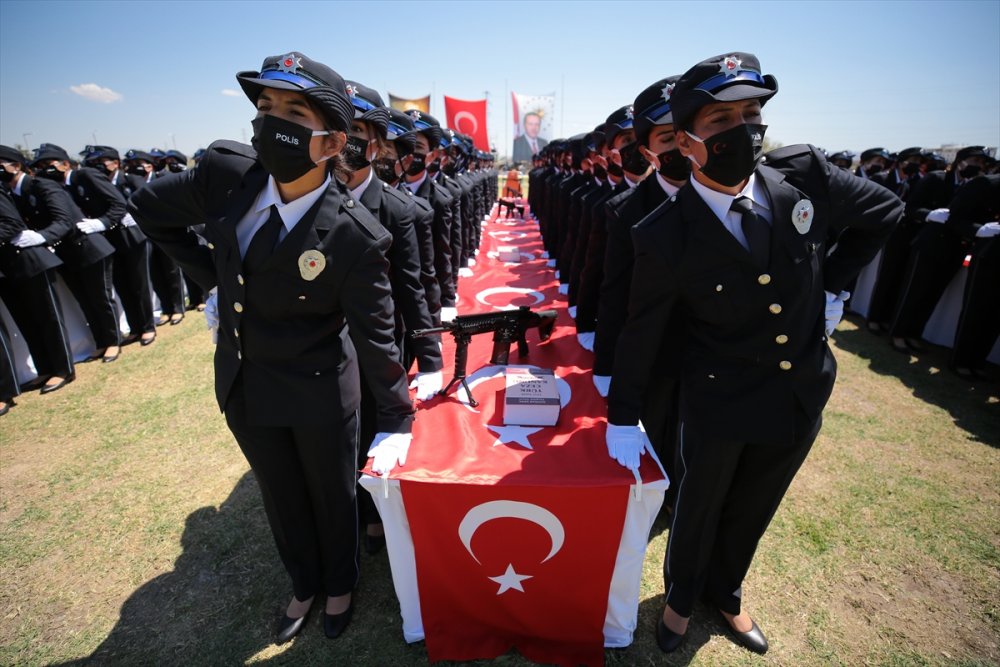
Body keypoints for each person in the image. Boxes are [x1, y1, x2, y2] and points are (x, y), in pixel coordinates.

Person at [605, 52, 902, 655]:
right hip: (718, 393)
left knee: (757, 502)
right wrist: (622, 413)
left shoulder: (805, 175)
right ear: (685, 141)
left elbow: (885, 212)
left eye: (751, 112)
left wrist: (835, 288)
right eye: (721, 119)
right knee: (700, 504)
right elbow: (642, 326)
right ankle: (682, 600)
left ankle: (728, 594)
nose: (743, 129)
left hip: (801, 384)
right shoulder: (662, 231)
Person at [129, 51, 414, 644]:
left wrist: (396, 424)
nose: (270, 120)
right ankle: (304, 582)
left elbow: (379, 337)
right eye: (264, 107)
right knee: (280, 496)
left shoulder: (354, 234)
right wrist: (218, 277)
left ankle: (340, 584)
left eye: (293, 110)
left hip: (316, 389)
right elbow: (151, 211)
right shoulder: (227, 176)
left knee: (330, 496)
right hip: (245, 381)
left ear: (333, 141)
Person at [341, 79, 443, 552]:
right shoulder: (311, 200)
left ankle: (378, 514)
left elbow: (413, 286)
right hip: (328, 346)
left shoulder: (399, 209)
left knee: (378, 424)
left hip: (385, 341)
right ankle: (355, 513)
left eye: (357, 130)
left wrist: (431, 355)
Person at [31, 144, 124, 363]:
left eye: (49, 164)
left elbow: (118, 203)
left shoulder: (85, 175)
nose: (45, 170)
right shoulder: (50, 187)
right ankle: (101, 342)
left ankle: (113, 341)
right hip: (69, 252)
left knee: (101, 298)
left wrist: (102, 223)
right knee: (85, 301)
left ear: (65, 163)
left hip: (92, 247)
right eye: (41, 166)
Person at [0, 145, 76, 394]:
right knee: (27, 322)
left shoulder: (39, 186)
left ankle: (63, 369)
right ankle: (44, 368)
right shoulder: (9, 190)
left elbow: (12, 223)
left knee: (49, 318)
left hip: (32, 259)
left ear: (17, 165)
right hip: (9, 265)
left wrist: (41, 237)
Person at [82, 146, 157, 347]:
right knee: (123, 287)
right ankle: (135, 327)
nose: (97, 167)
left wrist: (139, 216)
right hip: (111, 240)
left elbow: (151, 201)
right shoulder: (94, 184)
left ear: (115, 163)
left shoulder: (130, 180)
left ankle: (148, 327)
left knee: (139, 284)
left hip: (133, 238)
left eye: (101, 162)